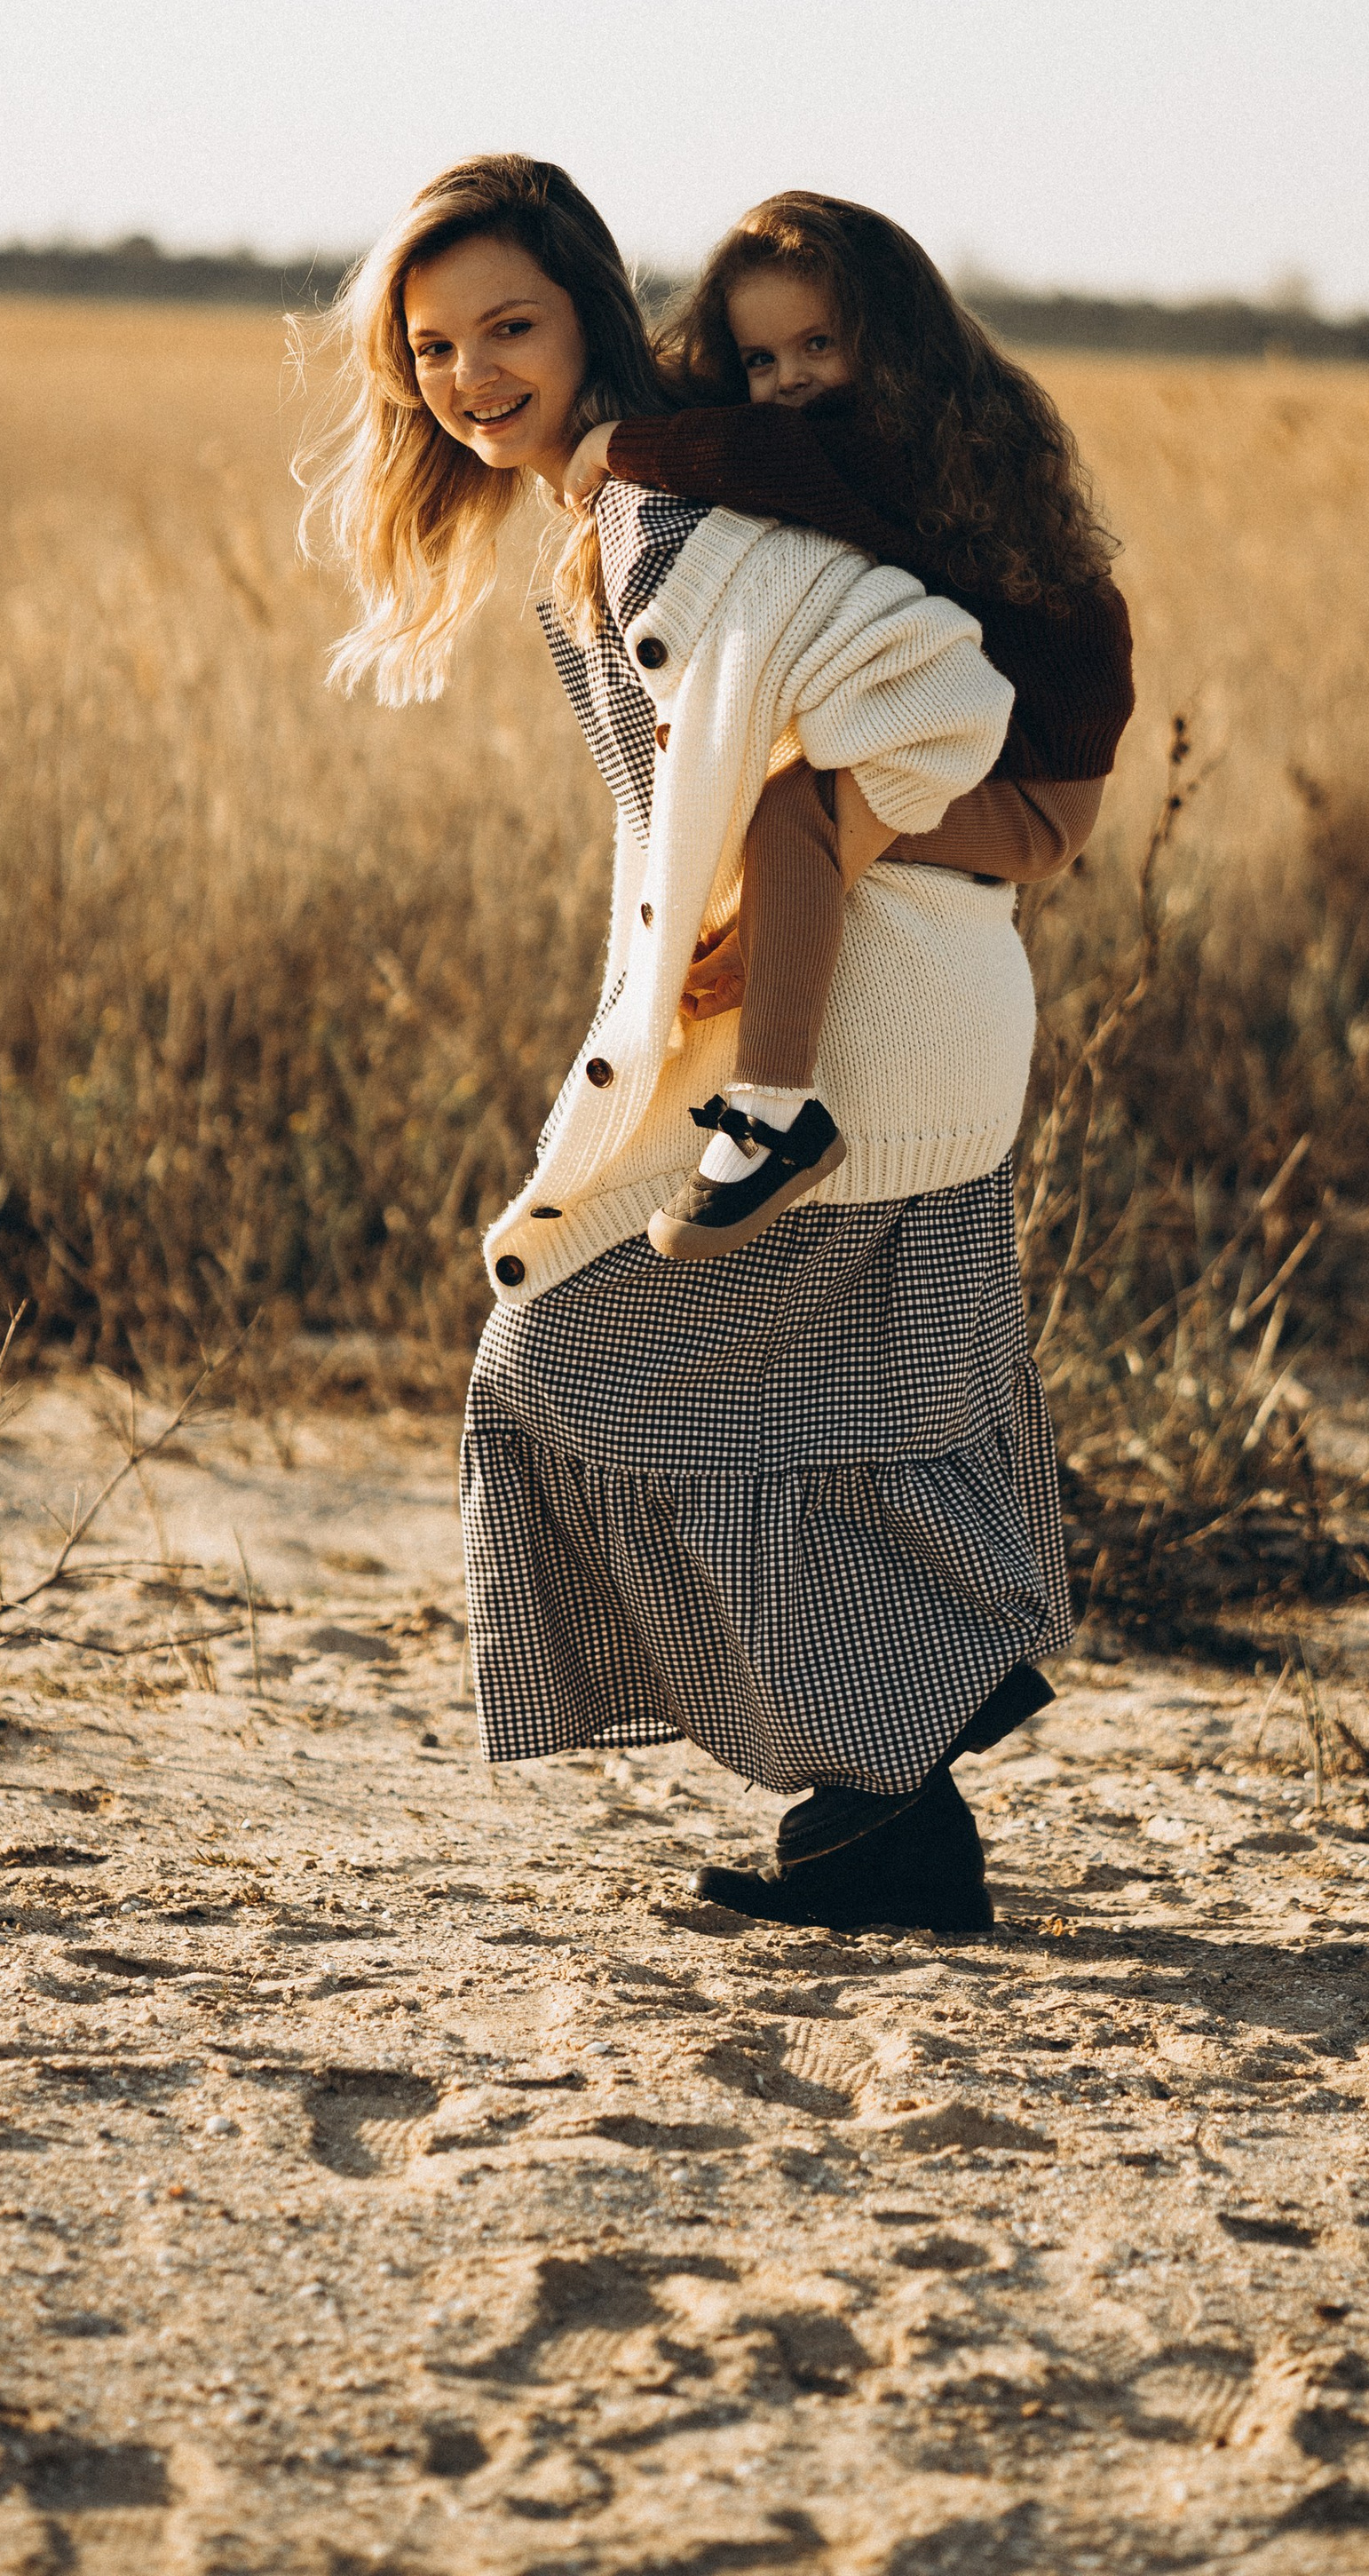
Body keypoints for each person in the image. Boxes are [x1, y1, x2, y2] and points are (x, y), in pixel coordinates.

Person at [296, 153, 1073, 1933]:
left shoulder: (660, 515)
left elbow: (939, 696)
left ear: (588, 314)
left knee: (555, 1365)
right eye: (432, 348)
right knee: (827, 1406)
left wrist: (834, 848)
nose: (472, 373)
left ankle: (911, 1734)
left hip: (858, 1044)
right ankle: (889, 1804)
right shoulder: (609, 515)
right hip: (852, 1031)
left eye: (510, 325)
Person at [563, 191, 1134, 1260]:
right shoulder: (918, 436)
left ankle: (778, 1114)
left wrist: (618, 443)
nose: (789, 381)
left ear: (889, 342)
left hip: (1034, 790)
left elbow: (774, 464)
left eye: (819, 344)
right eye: (760, 359)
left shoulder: (898, 447)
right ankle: (748, 973)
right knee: (782, 818)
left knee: (797, 815)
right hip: (971, 746)